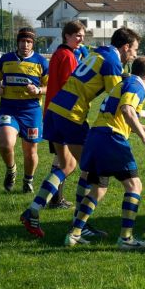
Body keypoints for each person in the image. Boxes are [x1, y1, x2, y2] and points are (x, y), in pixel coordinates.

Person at [20, 27, 145, 239]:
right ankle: (78, 227)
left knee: (67, 165)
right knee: (89, 173)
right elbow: (121, 97)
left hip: (55, 109)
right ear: (125, 47)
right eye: (134, 49)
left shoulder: (100, 53)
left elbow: (127, 81)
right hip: (72, 113)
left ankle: (34, 210)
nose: (135, 54)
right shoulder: (112, 61)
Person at [65, 57, 145, 249]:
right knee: (134, 186)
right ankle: (126, 239)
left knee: (98, 188)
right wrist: (144, 137)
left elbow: (126, 120)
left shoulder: (125, 83)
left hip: (96, 136)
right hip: (111, 138)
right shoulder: (136, 85)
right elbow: (127, 110)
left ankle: (74, 233)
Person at [0, 27, 49, 193]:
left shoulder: (41, 61)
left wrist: (38, 90)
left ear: (33, 44)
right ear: (18, 42)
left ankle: (28, 179)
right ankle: (11, 170)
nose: (25, 44)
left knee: (30, 151)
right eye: (23, 41)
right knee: (5, 144)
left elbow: (50, 86)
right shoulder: (6, 59)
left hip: (31, 111)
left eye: (29, 42)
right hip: (8, 109)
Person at [45, 21, 86, 209]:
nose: (81, 39)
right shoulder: (68, 56)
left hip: (52, 112)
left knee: (61, 160)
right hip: (63, 113)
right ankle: (41, 203)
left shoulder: (58, 53)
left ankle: (55, 199)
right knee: (69, 163)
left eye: (83, 35)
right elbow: (70, 87)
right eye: (77, 35)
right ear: (67, 36)